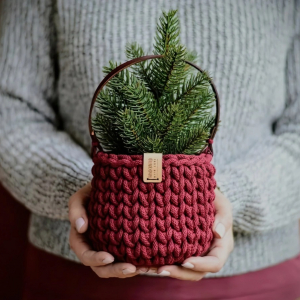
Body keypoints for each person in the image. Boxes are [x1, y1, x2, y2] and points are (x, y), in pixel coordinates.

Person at [0, 0, 299, 299]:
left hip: (257, 281)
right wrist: (87, 186)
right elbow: (10, 109)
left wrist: (225, 196)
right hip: (74, 277)